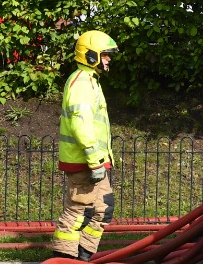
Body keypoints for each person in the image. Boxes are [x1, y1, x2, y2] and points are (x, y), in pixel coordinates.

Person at [51, 30, 119, 262]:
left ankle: (83, 256)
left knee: (103, 209)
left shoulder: (91, 81)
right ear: (91, 56)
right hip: (85, 162)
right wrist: (94, 160)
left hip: (94, 161)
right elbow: (82, 125)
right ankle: (63, 258)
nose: (109, 59)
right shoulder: (81, 83)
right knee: (79, 211)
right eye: (106, 55)